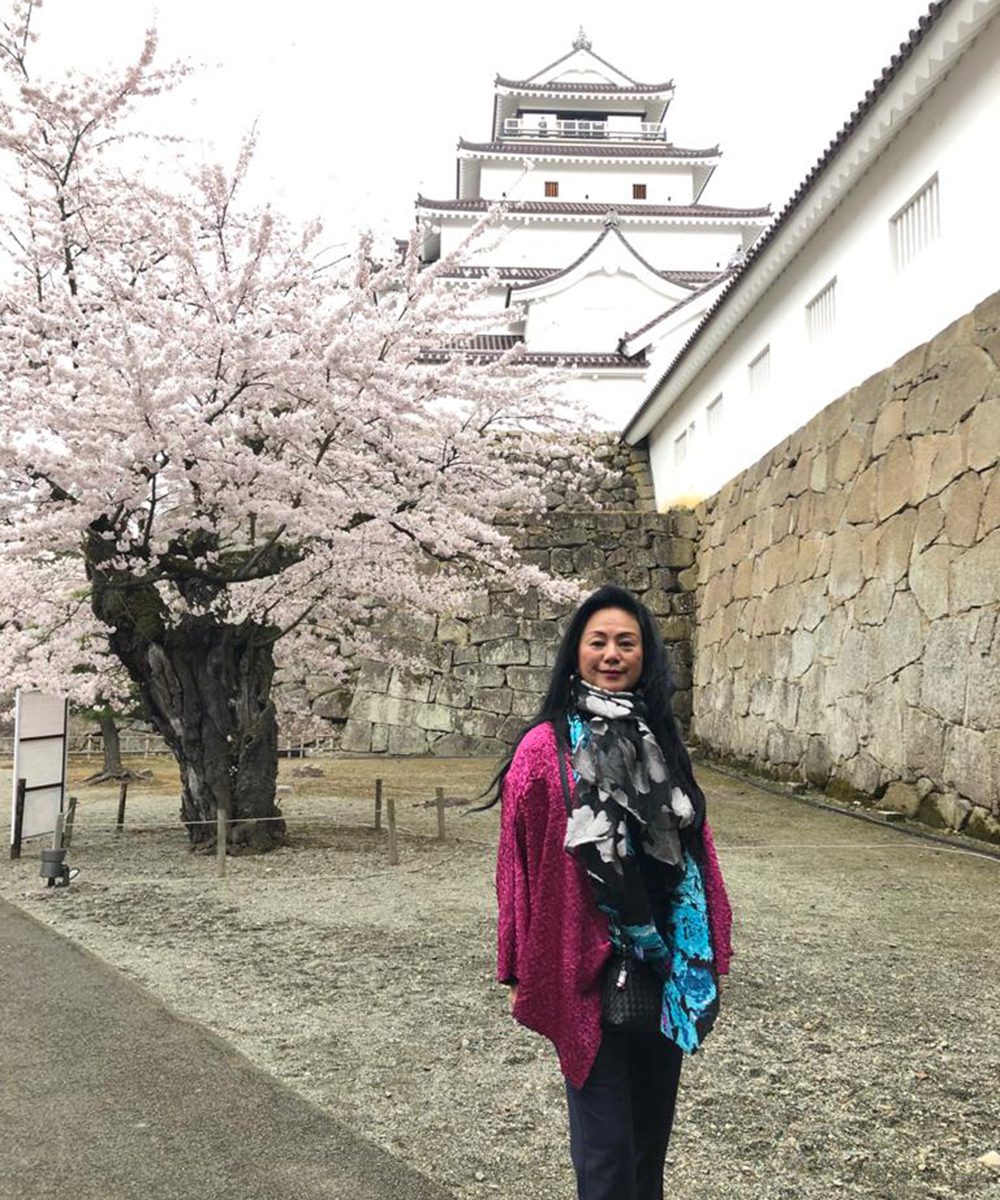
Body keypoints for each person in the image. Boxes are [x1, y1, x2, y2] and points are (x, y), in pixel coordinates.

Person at [490, 584, 732, 1200]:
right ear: (576, 651)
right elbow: (516, 862)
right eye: (598, 641)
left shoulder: (663, 739)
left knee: (650, 1144)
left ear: (645, 654)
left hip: (666, 963)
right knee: (607, 1156)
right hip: (586, 963)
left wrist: (710, 947)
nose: (612, 654)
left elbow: (696, 851)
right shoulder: (544, 750)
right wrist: (518, 956)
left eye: (627, 642)